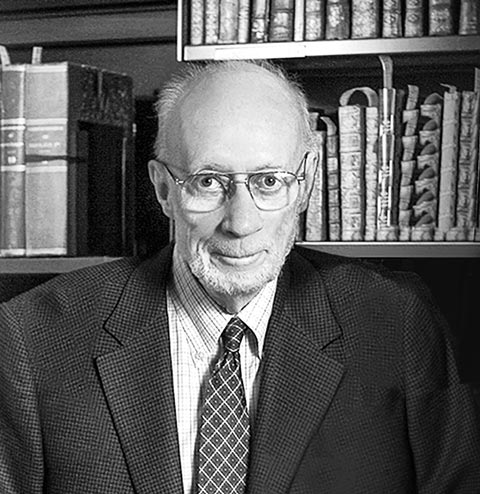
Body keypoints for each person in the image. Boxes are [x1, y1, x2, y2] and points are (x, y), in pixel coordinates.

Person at [0, 60, 479, 494]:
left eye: (269, 181)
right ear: (164, 188)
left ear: (307, 183)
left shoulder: (394, 321)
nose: (241, 222)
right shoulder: (34, 339)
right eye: (209, 181)